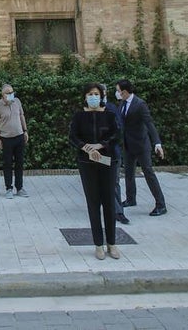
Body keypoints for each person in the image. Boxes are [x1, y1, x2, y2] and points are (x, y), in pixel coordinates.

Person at [69, 83, 123, 260]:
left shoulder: (109, 114)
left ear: (101, 96)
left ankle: (112, 244)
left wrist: (100, 145)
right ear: (85, 96)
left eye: (96, 94)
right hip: (87, 162)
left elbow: (116, 135)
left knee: (109, 203)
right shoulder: (79, 116)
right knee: (93, 203)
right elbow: (73, 136)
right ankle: (98, 244)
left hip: (108, 162)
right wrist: (86, 148)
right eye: (90, 94)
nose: (93, 97)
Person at [115, 79, 167, 216]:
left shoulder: (140, 104)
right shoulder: (122, 104)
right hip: (128, 144)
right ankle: (131, 199)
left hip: (141, 144)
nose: (117, 93)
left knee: (148, 173)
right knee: (128, 173)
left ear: (125, 92)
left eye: (118, 91)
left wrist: (157, 143)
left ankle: (161, 204)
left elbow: (149, 123)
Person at [100, 84, 130, 225]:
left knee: (113, 181)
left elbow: (118, 130)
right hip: (97, 154)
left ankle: (117, 212)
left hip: (111, 153)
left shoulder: (111, 108)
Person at [0, 83, 28, 199]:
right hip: (6, 139)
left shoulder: (17, 102)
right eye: (8, 93)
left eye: (12, 92)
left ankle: (20, 187)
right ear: (2, 94)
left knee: (19, 163)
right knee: (7, 164)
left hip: (19, 136)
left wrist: (25, 130)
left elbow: (21, 115)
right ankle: (9, 188)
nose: (11, 95)